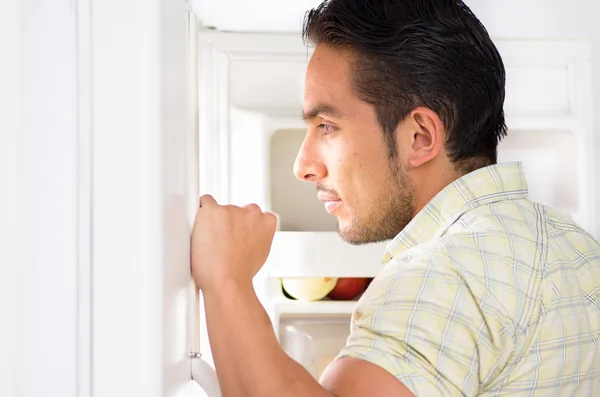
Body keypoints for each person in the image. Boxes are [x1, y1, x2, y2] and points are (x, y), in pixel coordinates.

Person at [190, 0, 600, 395]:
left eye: (327, 126)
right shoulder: (577, 247)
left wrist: (227, 280)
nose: (303, 165)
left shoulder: (443, 273)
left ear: (419, 136)